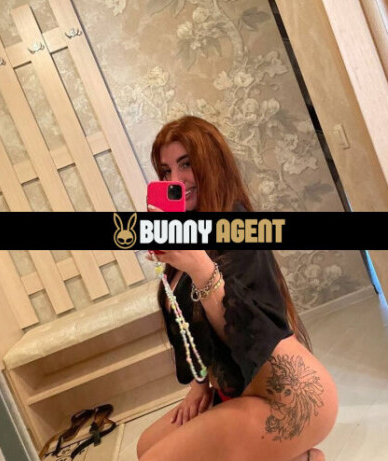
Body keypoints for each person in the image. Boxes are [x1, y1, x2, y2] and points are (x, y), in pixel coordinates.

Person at [137, 116, 338, 461]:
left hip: (290, 397)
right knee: (146, 446)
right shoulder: (190, 232)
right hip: (238, 388)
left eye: (186, 164)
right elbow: (189, 325)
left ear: (211, 163)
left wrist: (201, 269)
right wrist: (200, 382)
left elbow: (248, 338)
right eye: (166, 171)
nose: (176, 181)